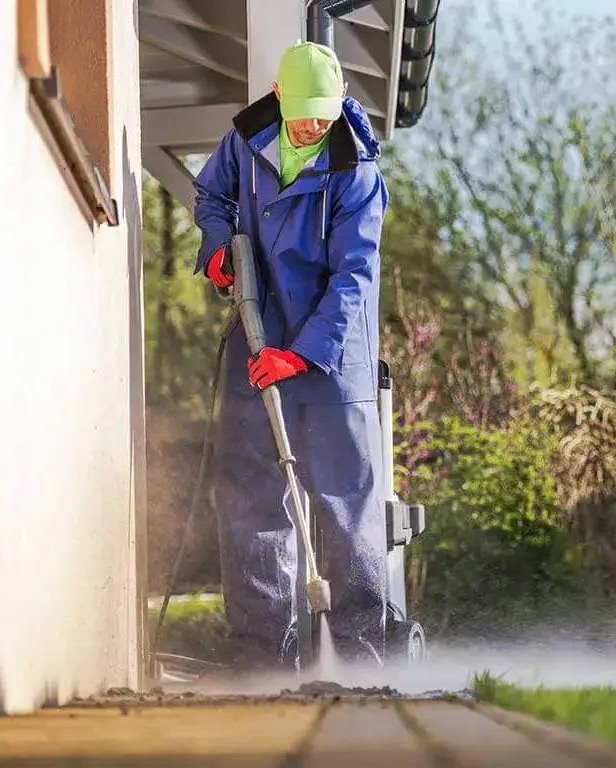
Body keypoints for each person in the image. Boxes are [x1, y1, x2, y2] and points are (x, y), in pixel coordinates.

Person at [191, 41, 389, 672]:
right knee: (251, 498)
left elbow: (354, 276)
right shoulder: (243, 146)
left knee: (342, 500)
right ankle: (261, 662)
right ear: (278, 98)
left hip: (328, 359)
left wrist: (301, 355)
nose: (313, 125)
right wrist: (219, 249)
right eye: (303, 112)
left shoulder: (355, 171)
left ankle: (362, 662)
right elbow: (210, 200)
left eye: (323, 113)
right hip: (257, 342)